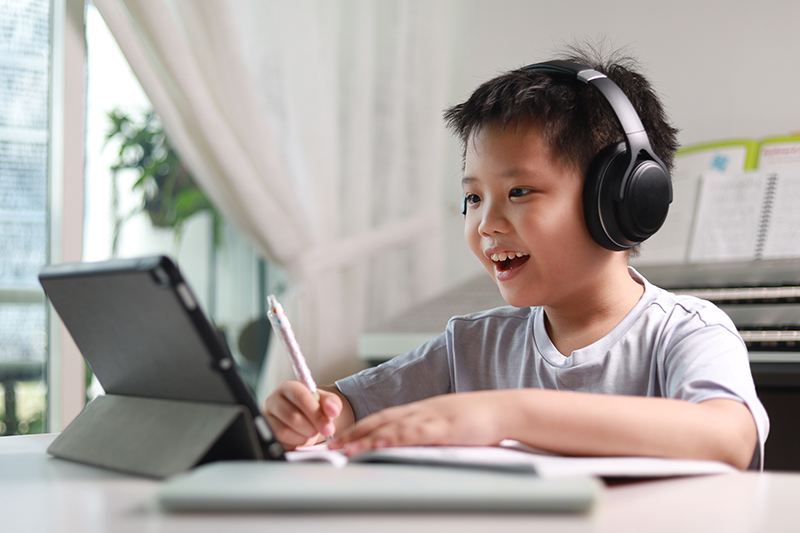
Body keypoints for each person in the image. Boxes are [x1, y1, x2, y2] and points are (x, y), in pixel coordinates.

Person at [263, 46, 769, 470]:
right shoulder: (471, 346)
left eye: (520, 191)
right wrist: (310, 411)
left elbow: (726, 436)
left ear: (621, 199)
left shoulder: (686, 333)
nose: (486, 224)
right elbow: (348, 409)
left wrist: (508, 414)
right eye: (474, 198)